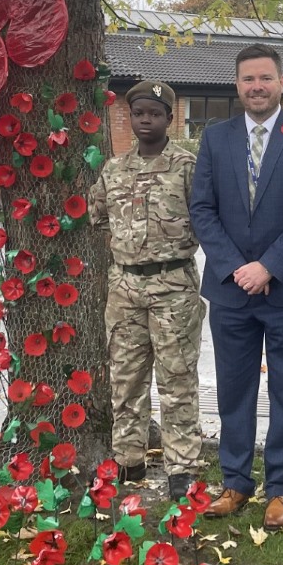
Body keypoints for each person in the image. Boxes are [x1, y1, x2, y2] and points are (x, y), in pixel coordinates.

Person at [190, 43, 283, 529]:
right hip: (231, 290)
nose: (257, 86)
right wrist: (237, 268)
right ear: (237, 85)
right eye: (248, 79)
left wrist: (268, 267)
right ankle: (235, 481)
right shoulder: (216, 138)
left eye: (265, 78)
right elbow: (202, 209)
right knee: (234, 388)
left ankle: (281, 487)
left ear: (281, 82)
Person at [87, 80, 205, 502]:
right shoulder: (114, 169)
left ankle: (182, 466)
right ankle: (129, 458)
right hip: (125, 288)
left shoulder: (188, 167)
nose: (145, 121)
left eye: (154, 114)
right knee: (126, 378)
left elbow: (205, 218)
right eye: (139, 113)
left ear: (169, 119)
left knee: (177, 379)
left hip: (173, 286)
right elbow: (99, 216)